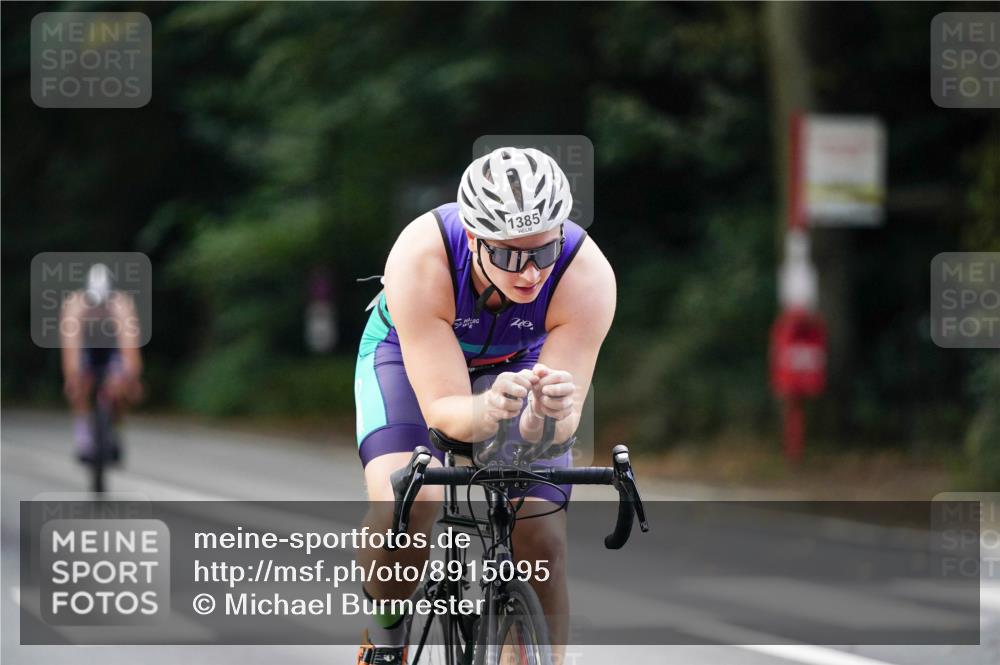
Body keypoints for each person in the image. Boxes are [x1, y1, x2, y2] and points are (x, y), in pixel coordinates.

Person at [354, 147, 616, 664]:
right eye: (509, 256)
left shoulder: (586, 275)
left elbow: (560, 429)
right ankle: (385, 636)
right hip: (406, 359)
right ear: (473, 239)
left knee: (541, 539)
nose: (531, 275)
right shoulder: (421, 256)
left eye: (543, 253)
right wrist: (487, 409)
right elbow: (446, 414)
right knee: (411, 503)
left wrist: (544, 413)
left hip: (521, 359)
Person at [60, 263, 144, 463]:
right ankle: (83, 437)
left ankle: (115, 429)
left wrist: (131, 377)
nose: (98, 309)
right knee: (78, 385)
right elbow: (70, 348)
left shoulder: (122, 305)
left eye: (102, 303)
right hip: (87, 348)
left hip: (112, 348)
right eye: (93, 303)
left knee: (122, 387)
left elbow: (130, 346)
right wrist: (73, 377)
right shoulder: (75, 306)